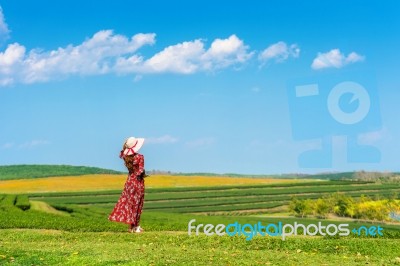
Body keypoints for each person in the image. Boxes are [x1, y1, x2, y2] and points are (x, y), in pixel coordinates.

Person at [108, 136, 146, 233]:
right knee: (137, 204)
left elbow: (123, 154)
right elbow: (140, 171)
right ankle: (135, 227)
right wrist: (144, 174)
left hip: (129, 182)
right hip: (137, 182)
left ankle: (131, 227)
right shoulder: (140, 157)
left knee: (130, 204)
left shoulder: (126, 157)